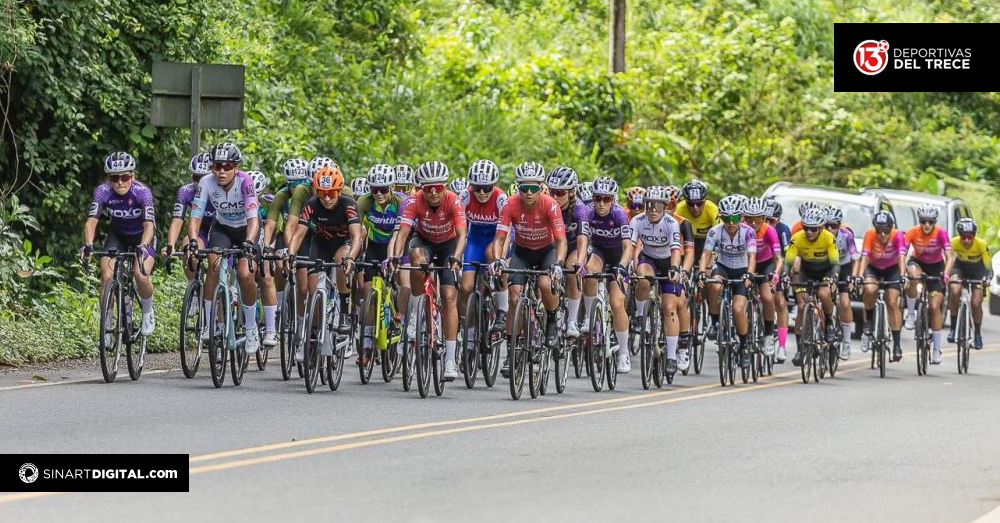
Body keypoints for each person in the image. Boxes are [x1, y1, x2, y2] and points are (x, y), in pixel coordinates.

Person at [391, 161, 467, 381]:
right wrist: (396, 257)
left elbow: (462, 234)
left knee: (449, 297)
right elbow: (403, 233)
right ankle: (416, 310)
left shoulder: (454, 201)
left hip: (448, 244)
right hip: (424, 240)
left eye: (438, 188)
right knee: (416, 259)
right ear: (421, 188)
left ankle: (451, 360)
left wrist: (457, 257)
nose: (433, 193)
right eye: (428, 188)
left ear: (445, 186)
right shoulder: (413, 201)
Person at [492, 162, 567, 375]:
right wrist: (498, 259)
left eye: (533, 188)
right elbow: (500, 238)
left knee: (545, 283)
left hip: (547, 251)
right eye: (523, 188)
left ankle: (552, 318)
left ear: (540, 187)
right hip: (522, 253)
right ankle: (511, 353)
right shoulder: (510, 204)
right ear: (518, 188)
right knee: (514, 299)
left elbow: (561, 241)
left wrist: (559, 264)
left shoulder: (550, 205)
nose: (528, 193)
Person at [187, 142, 261, 353]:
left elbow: (254, 219)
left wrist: (249, 242)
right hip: (223, 229)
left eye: (227, 166)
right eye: (217, 166)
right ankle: (210, 324)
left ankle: (250, 328)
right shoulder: (206, 182)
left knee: (245, 274)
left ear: (235, 167)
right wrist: (193, 240)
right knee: (214, 265)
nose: (221, 171)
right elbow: (195, 217)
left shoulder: (245, 181)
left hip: (247, 229)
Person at [286, 165, 363, 358]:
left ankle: (344, 313)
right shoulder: (312, 204)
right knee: (313, 291)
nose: (327, 198)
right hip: (320, 244)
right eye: (322, 194)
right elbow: (298, 234)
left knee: (340, 261)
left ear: (338, 190)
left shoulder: (349, 204)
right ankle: (312, 335)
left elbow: (356, 237)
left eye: (331, 193)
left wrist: (351, 257)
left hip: (343, 244)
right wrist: (291, 253)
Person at [82, 151, 157, 337]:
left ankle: (148, 311)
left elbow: (149, 225)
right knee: (107, 277)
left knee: (141, 276)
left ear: (133, 176)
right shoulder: (102, 192)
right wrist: (89, 244)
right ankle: (106, 323)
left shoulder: (142, 193)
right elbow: (91, 222)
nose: (120, 182)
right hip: (118, 236)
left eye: (125, 177)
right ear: (109, 179)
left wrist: (144, 246)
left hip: (142, 236)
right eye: (115, 178)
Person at [627, 186, 683, 373]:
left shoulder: (671, 223)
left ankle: (672, 355)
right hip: (648, 258)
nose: (652, 210)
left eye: (658, 206)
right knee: (642, 279)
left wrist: (674, 269)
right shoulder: (637, 220)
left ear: (665, 207)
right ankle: (643, 317)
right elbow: (631, 246)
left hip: (668, 262)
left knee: (669, 308)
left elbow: (676, 250)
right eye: (649, 205)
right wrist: (629, 266)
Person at [698, 195, 756, 368]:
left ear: (741, 217)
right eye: (726, 218)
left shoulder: (749, 232)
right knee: (714, 285)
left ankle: (744, 344)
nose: (731, 223)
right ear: (720, 217)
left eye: (735, 218)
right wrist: (702, 272)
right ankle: (715, 322)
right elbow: (705, 254)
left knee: (738, 309)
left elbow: (752, 256)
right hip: (722, 266)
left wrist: (749, 274)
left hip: (742, 269)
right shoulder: (715, 231)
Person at [583, 176, 633, 372]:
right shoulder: (587, 212)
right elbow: (583, 238)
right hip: (600, 253)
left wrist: (622, 266)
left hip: (619, 257)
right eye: (597, 198)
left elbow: (628, 246)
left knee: (617, 303)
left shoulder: (619, 214)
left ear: (613, 199)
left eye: (606, 199)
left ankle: (624, 353)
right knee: (589, 271)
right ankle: (589, 318)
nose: (601, 203)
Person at [356, 164, 402, 365]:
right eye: (375, 189)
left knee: (400, 280)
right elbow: (357, 232)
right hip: (374, 246)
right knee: (368, 293)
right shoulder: (364, 202)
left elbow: (401, 233)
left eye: (383, 189)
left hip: (397, 243)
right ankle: (366, 345)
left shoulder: (401, 202)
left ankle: (400, 315)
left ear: (392, 186)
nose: (379, 194)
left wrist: (394, 257)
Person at [459, 160, 509, 338]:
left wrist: (500, 257)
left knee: (493, 256)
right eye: (477, 188)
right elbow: (459, 228)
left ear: (494, 185)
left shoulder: (501, 198)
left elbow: (506, 231)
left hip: (496, 238)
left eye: (486, 188)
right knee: (466, 288)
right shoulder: (465, 196)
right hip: (475, 241)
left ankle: (502, 309)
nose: (481, 193)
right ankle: (468, 331)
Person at [784, 207, 840, 367]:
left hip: (826, 269)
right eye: (806, 228)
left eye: (813, 229)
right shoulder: (797, 238)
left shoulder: (829, 237)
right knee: (801, 307)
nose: (809, 232)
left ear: (821, 228)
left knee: (823, 293)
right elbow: (788, 262)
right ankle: (801, 349)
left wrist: (834, 278)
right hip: (806, 271)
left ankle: (829, 322)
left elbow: (836, 263)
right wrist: (785, 276)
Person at [903, 203, 951, 364]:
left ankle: (937, 349)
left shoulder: (941, 234)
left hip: (936, 267)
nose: (927, 225)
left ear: (935, 222)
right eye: (923, 221)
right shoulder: (912, 232)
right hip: (917, 262)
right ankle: (910, 313)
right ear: (919, 220)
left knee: (934, 307)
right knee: (913, 276)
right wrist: (903, 272)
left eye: (931, 222)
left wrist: (946, 274)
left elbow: (950, 257)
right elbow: (901, 254)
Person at [546, 166, 590, 339]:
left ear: (571, 192)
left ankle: (572, 319)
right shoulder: (546, 204)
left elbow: (582, 240)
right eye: (552, 192)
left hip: (574, 246)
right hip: (554, 245)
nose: (555, 196)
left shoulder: (580, 209)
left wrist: (580, 262)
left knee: (572, 269)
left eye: (560, 193)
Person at [857, 211, 907, 361]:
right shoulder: (870, 234)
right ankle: (869, 322)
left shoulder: (898, 235)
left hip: (892, 269)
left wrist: (903, 275)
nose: (883, 234)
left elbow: (901, 257)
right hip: (874, 268)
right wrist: (860, 276)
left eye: (886, 230)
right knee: (870, 288)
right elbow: (864, 257)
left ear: (891, 228)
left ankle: (897, 345)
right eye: (879, 230)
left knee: (892, 301)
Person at [163, 153, 214, 280]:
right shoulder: (185, 191)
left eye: (205, 177)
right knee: (188, 249)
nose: (201, 182)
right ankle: (195, 291)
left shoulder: (222, 190)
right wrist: (171, 244)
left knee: (219, 267)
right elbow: (177, 220)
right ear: (192, 177)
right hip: (200, 229)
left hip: (220, 229)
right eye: (197, 177)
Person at [945, 217, 991, 350]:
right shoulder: (953, 242)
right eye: (963, 237)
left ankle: (977, 334)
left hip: (978, 271)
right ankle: (953, 327)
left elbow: (988, 265)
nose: (966, 241)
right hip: (960, 268)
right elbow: (947, 261)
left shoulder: (981, 244)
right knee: (954, 290)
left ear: (974, 236)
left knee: (976, 303)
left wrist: (988, 277)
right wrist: (946, 275)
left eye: (969, 237)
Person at [664, 185, 696, 370]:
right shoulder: (649, 220)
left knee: (681, 301)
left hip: (681, 261)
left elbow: (690, 252)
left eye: (671, 204)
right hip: (658, 261)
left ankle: (683, 343)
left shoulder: (683, 223)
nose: (667, 208)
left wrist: (684, 271)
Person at [745, 197, 781, 359]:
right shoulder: (742, 229)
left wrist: (776, 273)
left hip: (765, 265)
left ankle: (768, 334)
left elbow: (779, 258)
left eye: (758, 218)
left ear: (764, 218)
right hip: (746, 265)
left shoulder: (769, 230)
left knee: (767, 297)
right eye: (749, 218)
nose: (753, 222)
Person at [248, 170, 279, 347]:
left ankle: (271, 330)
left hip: (265, 241)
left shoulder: (269, 202)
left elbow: (275, 228)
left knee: (266, 277)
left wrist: (271, 246)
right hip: (247, 240)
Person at [824, 205, 859, 360]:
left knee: (844, 302)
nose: (830, 229)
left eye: (835, 225)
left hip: (844, 267)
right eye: (827, 225)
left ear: (840, 225)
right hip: (826, 266)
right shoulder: (819, 235)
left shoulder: (847, 236)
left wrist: (854, 276)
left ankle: (846, 341)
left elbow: (855, 259)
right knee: (823, 298)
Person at [766, 199, 791, 362]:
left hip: (777, 265)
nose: (768, 223)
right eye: (765, 219)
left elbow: (787, 256)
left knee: (780, 303)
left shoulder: (783, 230)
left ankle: (781, 346)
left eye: (772, 221)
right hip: (760, 264)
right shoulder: (755, 228)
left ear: (778, 220)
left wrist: (784, 275)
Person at [676, 179, 719, 267]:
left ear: (705, 200)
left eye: (699, 203)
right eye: (691, 204)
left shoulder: (712, 209)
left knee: (708, 267)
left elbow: (720, 234)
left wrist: (713, 255)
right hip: (686, 241)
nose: (695, 208)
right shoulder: (679, 209)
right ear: (685, 202)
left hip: (707, 242)